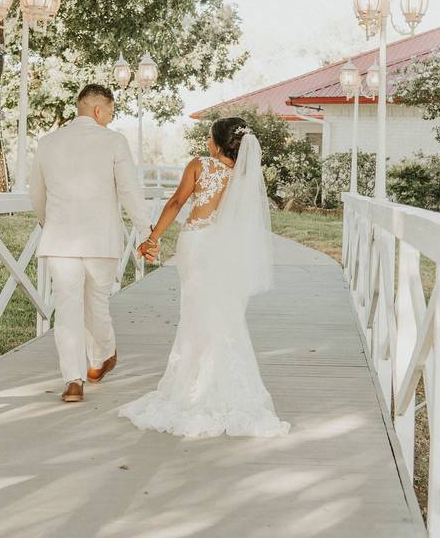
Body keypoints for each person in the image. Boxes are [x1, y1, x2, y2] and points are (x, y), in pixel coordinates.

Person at [121, 117, 290, 437]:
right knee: (223, 313)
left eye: (209, 137)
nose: (206, 142)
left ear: (216, 143)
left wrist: (153, 238)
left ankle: (195, 387)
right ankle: (218, 384)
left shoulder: (200, 165)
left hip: (197, 245)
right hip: (222, 248)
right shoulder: (241, 178)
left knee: (196, 313)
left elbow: (176, 202)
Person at [29, 84, 153, 403]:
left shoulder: (47, 143)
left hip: (60, 240)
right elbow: (129, 191)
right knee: (97, 305)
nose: (110, 119)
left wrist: (49, 223)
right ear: (99, 110)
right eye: (110, 112)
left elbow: (37, 195)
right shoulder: (113, 141)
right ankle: (103, 355)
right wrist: (146, 231)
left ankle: (73, 381)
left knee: (68, 310)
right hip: (101, 239)